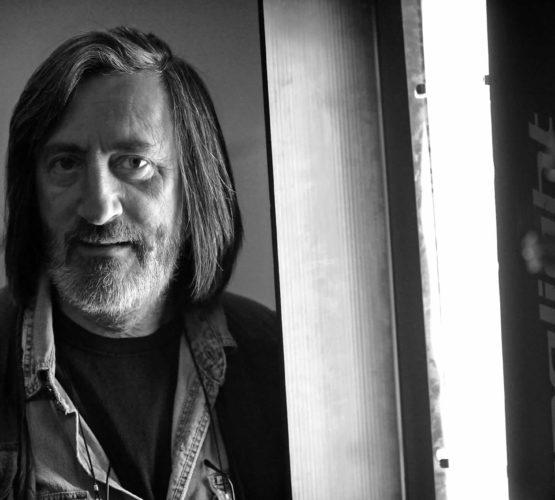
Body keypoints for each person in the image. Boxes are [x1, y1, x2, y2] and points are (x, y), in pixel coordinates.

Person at [0, 26, 290, 500]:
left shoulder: (275, 359)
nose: (99, 208)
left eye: (134, 162)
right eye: (66, 163)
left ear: (194, 187)